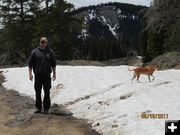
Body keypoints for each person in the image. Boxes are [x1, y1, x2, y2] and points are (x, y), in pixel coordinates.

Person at [28, 37, 56, 114]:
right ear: (39, 42)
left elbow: (53, 64)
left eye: (44, 42)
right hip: (38, 75)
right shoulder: (34, 52)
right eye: (42, 42)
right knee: (37, 91)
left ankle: (46, 108)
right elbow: (30, 64)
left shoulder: (50, 52)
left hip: (47, 75)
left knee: (47, 91)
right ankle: (38, 107)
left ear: (46, 43)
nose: (43, 44)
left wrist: (54, 73)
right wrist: (30, 74)